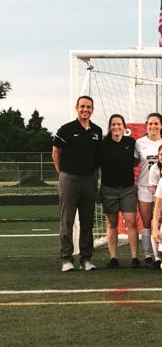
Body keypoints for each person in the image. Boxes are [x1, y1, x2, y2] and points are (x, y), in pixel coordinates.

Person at [52, 95, 103, 271]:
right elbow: (55, 152)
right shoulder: (66, 129)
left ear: (92, 110)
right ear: (76, 108)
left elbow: (98, 157)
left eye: (88, 107)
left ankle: (86, 259)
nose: (85, 110)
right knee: (67, 220)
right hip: (69, 179)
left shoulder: (97, 131)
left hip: (89, 179)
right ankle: (66, 259)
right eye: (82, 106)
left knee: (88, 220)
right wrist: (62, 173)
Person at [98, 114, 140, 269]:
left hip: (128, 189)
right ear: (110, 126)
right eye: (113, 124)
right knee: (112, 223)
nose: (116, 127)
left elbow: (136, 161)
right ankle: (114, 257)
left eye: (119, 124)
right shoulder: (103, 144)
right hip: (109, 189)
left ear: (124, 126)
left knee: (131, 222)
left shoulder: (131, 142)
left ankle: (135, 258)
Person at [134, 112, 162, 267]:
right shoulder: (139, 143)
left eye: (156, 123)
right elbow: (135, 162)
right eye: (150, 124)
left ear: (161, 125)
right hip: (144, 187)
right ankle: (149, 255)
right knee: (147, 222)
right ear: (146, 125)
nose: (153, 126)